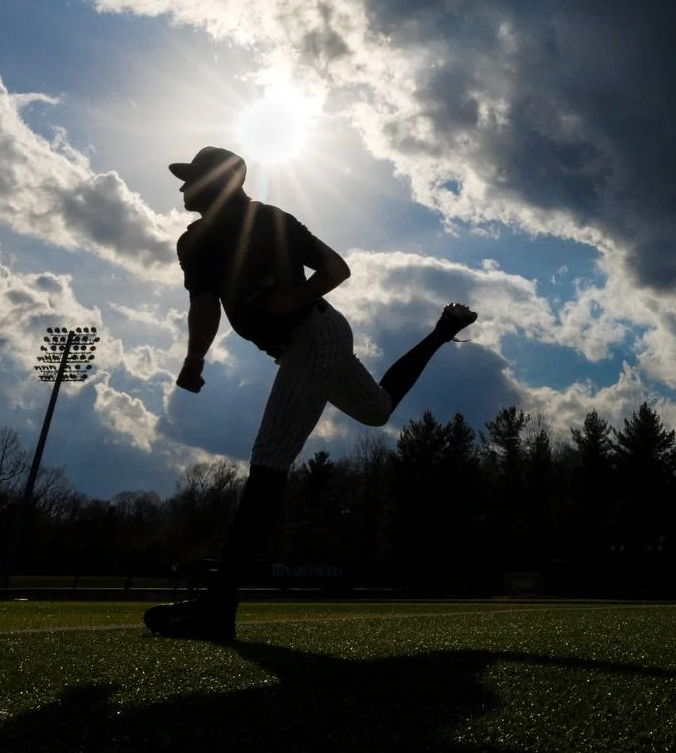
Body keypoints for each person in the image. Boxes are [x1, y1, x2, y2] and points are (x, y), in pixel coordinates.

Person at [144, 146, 477, 638]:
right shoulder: (193, 242)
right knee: (378, 411)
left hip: (314, 334)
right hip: (298, 344)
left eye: (192, 179)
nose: (182, 188)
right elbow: (204, 305)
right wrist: (194, 359)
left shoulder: (268, 220)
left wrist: (290, 300)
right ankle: (442, 332)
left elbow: (336, 269)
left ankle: (219, 607)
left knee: (270, 458)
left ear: (220, 184)